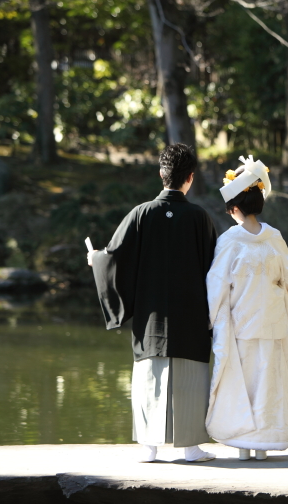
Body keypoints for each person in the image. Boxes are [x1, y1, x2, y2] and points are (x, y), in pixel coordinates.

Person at [88, 143, 218, 463]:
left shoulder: (141, 213)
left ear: (161, 175)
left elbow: (113, 257)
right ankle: (190, 448)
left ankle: (148, 446)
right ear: (190, 178)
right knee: (191, 375)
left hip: (151, 317)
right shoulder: (200, 218)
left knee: (150, 374)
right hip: (191, 316)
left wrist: (95, 259)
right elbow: (217, 267)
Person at [205, 155, 288, 461]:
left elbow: (217, 285)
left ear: (234, 208)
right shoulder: (275, 238)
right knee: (267, 384)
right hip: (272, 322)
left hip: (243, 322)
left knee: (243, 385)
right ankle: (265, 446)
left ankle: (244, 449)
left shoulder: (229, 241)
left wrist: (208, 321)